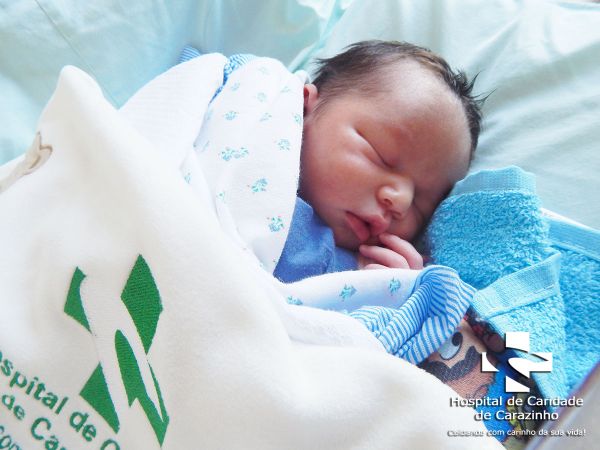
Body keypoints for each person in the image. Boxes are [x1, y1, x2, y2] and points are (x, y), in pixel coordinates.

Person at [273, 40, 484, 282]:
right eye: (381, 157)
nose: (401, 201)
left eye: (420, 206)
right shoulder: (252, 112)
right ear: (303, 106)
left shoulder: (360, 273)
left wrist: (394, 288)